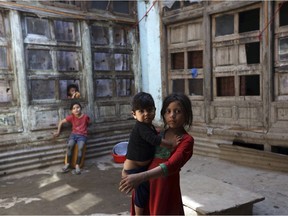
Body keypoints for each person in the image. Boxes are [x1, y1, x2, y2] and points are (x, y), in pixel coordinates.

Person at [119, 93, 194, 215]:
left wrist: (140, 177)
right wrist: (127, 168)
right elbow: (136, 148)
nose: (172, 116)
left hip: (165, 190)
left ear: (186, 114)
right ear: (163, 114)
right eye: (168, 111)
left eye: (178, 111)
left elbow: (170, 165)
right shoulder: (158, 134)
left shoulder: (186, 140)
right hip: (146, 188)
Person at [54, 101, 90, 175]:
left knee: (80, 148)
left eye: (77, 107)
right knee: (70, 146)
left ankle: (77, 165)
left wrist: (84, 130)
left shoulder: (85, 117)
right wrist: (58, 132)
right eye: (74, 108)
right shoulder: (71, 117)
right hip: (73, 135)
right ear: (71, 111)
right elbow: (61, 122)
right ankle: (67, 164)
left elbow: (89, 123)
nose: (76, 109)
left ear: (81, 108)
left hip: (82, 136)